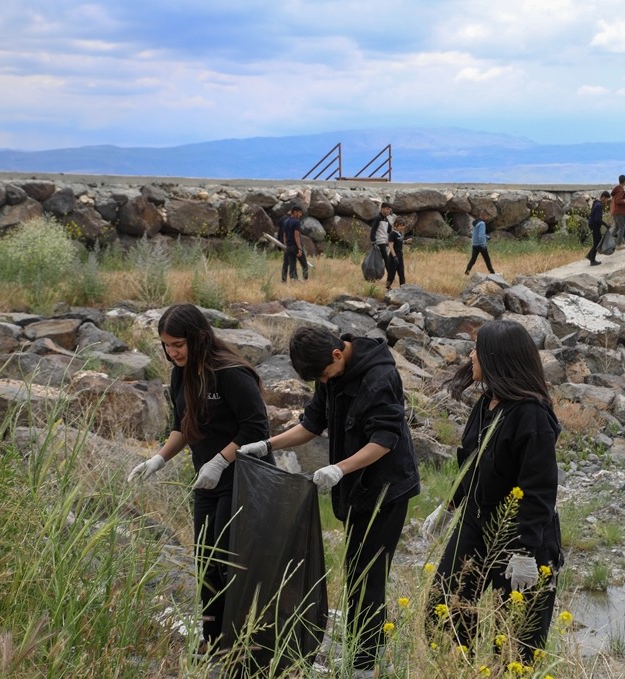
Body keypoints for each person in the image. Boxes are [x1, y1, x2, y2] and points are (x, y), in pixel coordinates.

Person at [238, 326, 420, 676]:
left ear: (338, 354)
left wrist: (339, 468)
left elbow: (384, 439)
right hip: (355, 490)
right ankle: (359, 655)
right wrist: (268, 445)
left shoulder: (380, 377)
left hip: (386, 491)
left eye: (323, 375)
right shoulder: (330, 374)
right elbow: (312, 424)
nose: (323, 381)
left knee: (369, 579)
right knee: (355, 574)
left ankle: (364, 666)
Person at [126, 303, 270, 655]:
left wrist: (221, 461)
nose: (172, 352)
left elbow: (256, 428)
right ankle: (213, 638)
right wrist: (158, 459)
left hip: (242, 477)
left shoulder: (232, 372)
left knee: (227, 558)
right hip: (206, 480)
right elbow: (183, 426)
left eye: (178, 344)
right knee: (204, 558)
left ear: (199, 337)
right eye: (166, 345)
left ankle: (240, 639)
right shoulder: (181, 373)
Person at [427, 319, 563, 664]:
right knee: (444, 609)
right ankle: (460, 668)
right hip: (476, 523)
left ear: (497, 358)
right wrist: (449, 507)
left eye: (478, 348)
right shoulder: (487, 403)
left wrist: (527, 552)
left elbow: (539, 488)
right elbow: (470, 465)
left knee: (517, 636)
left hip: (520, 536)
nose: (471, 354)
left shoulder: (531, 415)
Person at [279, 204, 306, 283]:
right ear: (294, 212)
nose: (300, 215)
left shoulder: (285, 221)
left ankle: (289, 279)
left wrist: (285, 245)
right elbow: (296, 235)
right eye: (299, 213)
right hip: (295, 246)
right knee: (304, 264)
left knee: (290, 264)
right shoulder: (296, 222)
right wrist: (299, 248)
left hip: (288, 246)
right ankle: (306, 280)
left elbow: (284, 235)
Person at [385, 214, 411, 290]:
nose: (402, 227)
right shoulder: (392, 234)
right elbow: (390, 246)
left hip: (400, 255)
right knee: (391, 274)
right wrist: (394, 256)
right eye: (401, 225)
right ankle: (388, 286)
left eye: (403, 226)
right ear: (396, 224)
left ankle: (403, 288)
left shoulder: (399, 233)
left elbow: (399, 241)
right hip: (394, 256)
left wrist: (405, 241)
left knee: (401, 273)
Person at [466, 209, 496, 275]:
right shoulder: (482, 223)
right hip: (480, 245)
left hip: (475, 244)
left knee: (473, 260)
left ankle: (467, 271)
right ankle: (492, 272)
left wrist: (487, 237)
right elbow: (481, 235)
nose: (488, 218)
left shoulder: (476, 222)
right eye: (487, 216)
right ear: (484, 215)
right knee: (487, 259)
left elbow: (476, 234)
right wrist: (483, 245)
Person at [585, 190, 607, 265]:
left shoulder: (596, 202)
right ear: (603, 197)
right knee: (597, 242)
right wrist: (605, 224)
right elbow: (597, 219)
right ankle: (592, 260)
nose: (606, 201)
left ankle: (590, 256)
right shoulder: (599, 206)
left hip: (592, 224)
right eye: (606, 199)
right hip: (594, 225)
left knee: (598, 241)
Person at [610, 175, 625, 245]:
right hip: (619, 212)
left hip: (614, 210)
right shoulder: (621, 190)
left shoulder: (616, 189)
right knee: (622, 227)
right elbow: (618, 201)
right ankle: (618, 245)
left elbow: (617, 201)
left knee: (617, 226)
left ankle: (606, 241)